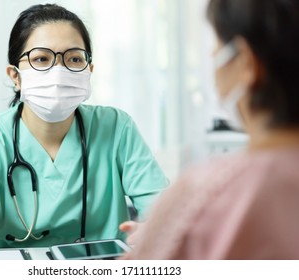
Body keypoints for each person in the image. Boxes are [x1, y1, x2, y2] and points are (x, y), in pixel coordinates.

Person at [0, 4, 169, 250]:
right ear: (15, 76)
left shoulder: (116, 128)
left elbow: (165, 214)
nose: (59, 71)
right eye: (42, 59)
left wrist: (151, 233)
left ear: (89, 71)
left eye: (74, 58)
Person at [122, 0, 299, 259]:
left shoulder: (203, 195)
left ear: (246, 63)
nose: (212, 58)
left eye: (216, 45)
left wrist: (164, 233)